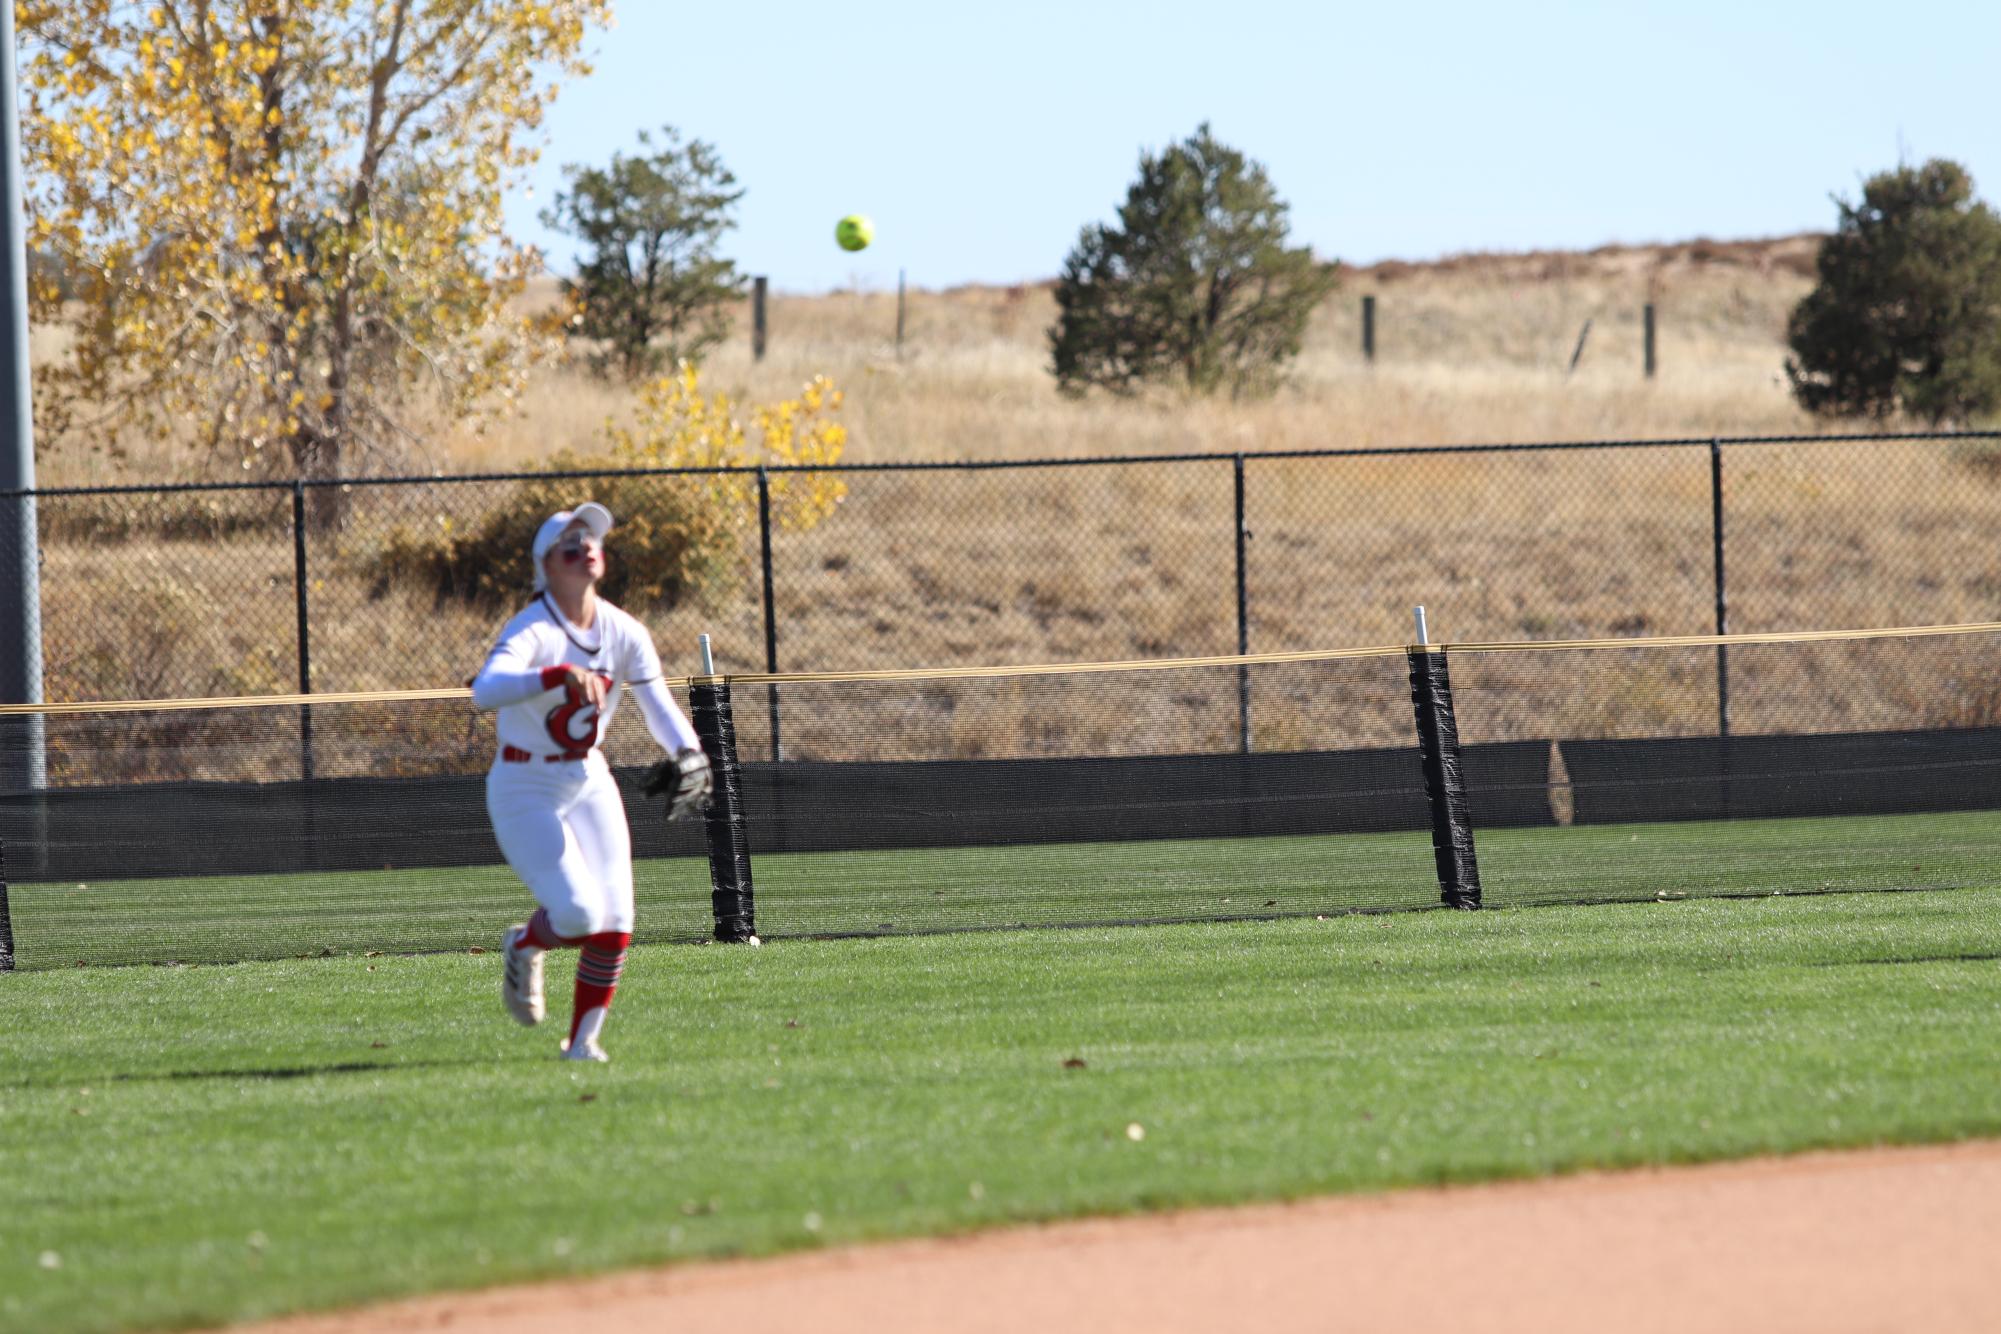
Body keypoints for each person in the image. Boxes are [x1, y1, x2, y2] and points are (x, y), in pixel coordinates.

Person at [469, 502, 711, 1062]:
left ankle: (582, 1046)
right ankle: (526, 944)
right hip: (523, 782)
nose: (587, 549)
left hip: (587, 776)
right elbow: (486, 690)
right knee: (578, 914)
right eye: (570, 546)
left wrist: (691, 753)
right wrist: (555, 674)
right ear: (546, 566)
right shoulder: (533, 627)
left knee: (617, 916)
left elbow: (659, 707)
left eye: (592, 541)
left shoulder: (624, 630)